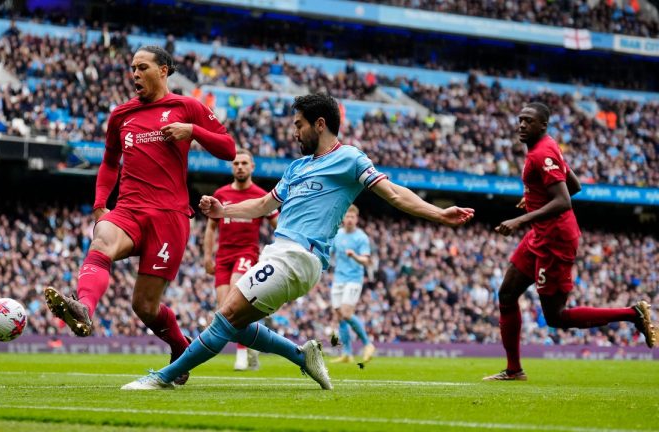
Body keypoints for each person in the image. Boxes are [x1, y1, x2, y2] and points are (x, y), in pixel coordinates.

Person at [120, 93, 474, 391]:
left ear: (320, 124)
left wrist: (438, 214)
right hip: (278, 252)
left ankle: (164, 377)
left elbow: (393, 193)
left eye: (299, 124)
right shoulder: (296, 168)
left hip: (300, 257)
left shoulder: (349, 158)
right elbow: (262, 205)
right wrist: (222, 209)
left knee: (225, 316)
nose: (294, 132)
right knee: (238, 323)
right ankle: (300, 355)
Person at [44, 46, 236, 385]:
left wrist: (192, 131)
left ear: (163, 71)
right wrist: (101, 204)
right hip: (129, 210)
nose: (134, 74)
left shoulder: (185, 107)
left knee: (144, 307)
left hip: (169, 218)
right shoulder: (121, 115)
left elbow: (228, 148)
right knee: (101, 238)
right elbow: (108, 163)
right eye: (132, 68)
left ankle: (180, 348)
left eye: (142, 67)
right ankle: (84, 308)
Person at [483, 102, 657, 381]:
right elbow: (574, 186)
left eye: (528, 121)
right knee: (506, 294)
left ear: (543, 126)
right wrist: (533, 198)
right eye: (520, 120)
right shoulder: (545, 147)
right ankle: (514, 370)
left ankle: (632, 313)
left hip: (555, 240)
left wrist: (521, 220)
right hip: (540, 234)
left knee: (555, 317)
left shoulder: (543, 153)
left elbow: (564, 200)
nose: (522, 125)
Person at [203, 148, 278, 371]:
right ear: (231, 167)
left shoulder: (260, 195)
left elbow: (279, 226)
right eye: (236, 163)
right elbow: (211, 227)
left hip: (247, 253)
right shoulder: (221, 194)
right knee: (224, 309)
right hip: (223, 256)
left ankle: (241, 353)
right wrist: (208, 255)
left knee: (237, 293)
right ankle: (254, 342)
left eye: (244, 163)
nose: (240, 167)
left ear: (252, 167)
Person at [330, 205, 375, 364]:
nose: (349, 219)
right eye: (347, 216)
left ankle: (367, 344)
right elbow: (329, 253)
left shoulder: (361, 237)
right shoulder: (338, 235)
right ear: (343, 218)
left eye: (352, 217)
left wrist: (354, 256)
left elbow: (366, 260)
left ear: (356, 219)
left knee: (347, 313)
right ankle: (347, 353)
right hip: (338, 279)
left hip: (354, 279)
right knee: (340, 316)